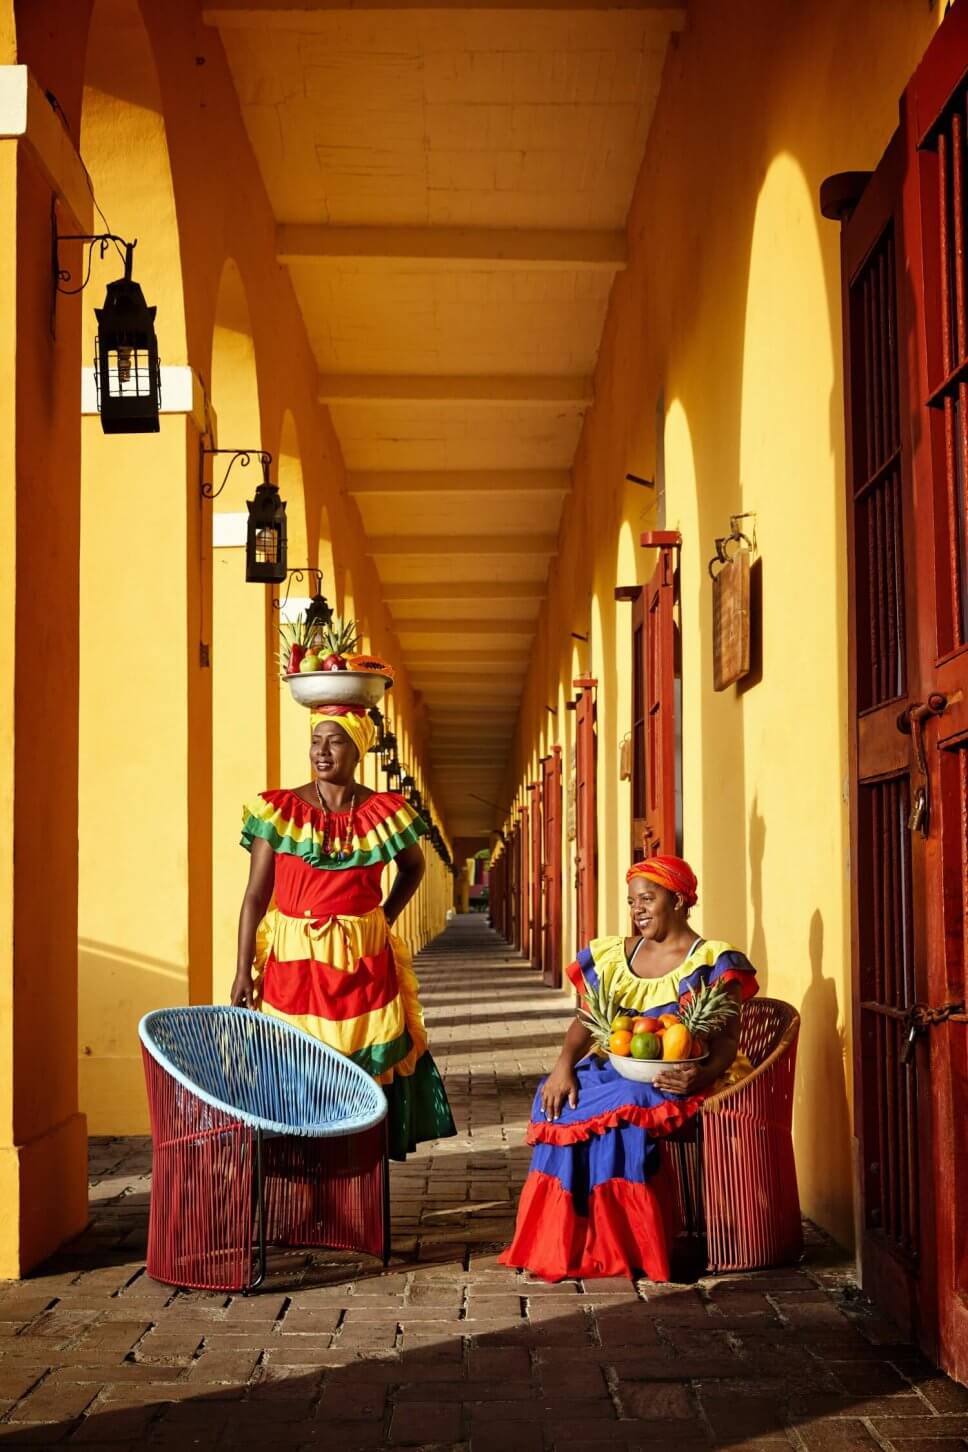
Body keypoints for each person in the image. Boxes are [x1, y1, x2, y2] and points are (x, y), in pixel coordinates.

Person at [499, 855, 757, 1281]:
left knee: (626, 1102)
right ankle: (568, 1242)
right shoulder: (617, 955)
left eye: (647, 899)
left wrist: (704, 1074)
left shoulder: (711, 960)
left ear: (678, 899)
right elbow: (586, 1019)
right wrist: (563, 1065)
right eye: (632, 901)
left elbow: (728, 1040)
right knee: (558, 1097)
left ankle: (629, 1243)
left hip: (682, 1077)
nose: (637, 909)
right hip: (618, 1068)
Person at [230, 703, 456, 1159]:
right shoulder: (278, 812)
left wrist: (383, 916)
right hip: (295, 959)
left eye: (335, 742)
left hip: (362, 961)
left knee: (362, 1065)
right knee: (295, 1066)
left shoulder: (384, 811)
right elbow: (255, 894)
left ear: (358, 750)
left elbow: (413, 867)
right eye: (316, 741)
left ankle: (354, 1170)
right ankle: (303, 1171)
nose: (322, 751)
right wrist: (240, 971)